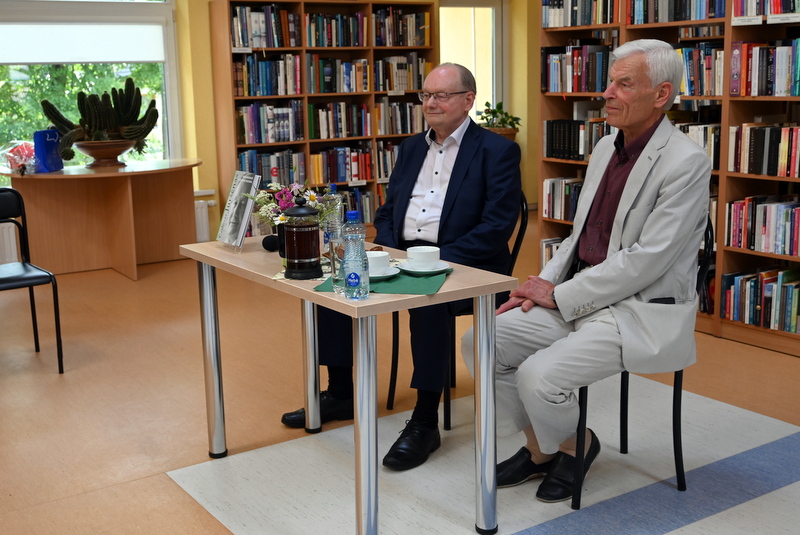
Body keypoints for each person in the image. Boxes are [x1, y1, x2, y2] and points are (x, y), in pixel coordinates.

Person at [461, 39, 711, 503]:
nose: (607, 93)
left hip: (636, 310)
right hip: (581, 293)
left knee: (538, 376)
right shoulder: (603, 148)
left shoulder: (686, 162)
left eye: (623, 84)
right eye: (610, 82)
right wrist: (543, 285)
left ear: (661, 94)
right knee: (482, 342)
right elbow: (580, 238)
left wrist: (559, 296)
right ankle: (546, 448)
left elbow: (647, 260)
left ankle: (576, 448)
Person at [280, 63, 522, 471]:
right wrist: (390, 251)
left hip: (467, 265)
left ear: (468, 100)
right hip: (403, 255)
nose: (430, 102)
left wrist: (434, 261)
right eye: (425, 95)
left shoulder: (496, 150)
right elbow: (389, 211)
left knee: (428, 301)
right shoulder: (411, 148)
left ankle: (425, 421)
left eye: (441, 95)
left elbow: (496, 226)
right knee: (339, 278)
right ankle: (341, 392)